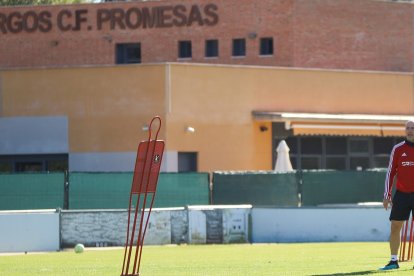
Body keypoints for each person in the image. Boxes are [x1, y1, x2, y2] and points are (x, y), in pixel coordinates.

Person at [380, 120, 414, 270]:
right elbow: (390, 172)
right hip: (402, 194)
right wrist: (387, 195)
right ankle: (394, 261)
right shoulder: (398, 149)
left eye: (412, 128)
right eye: (407, 128)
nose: (410, 130)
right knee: (395, 226)